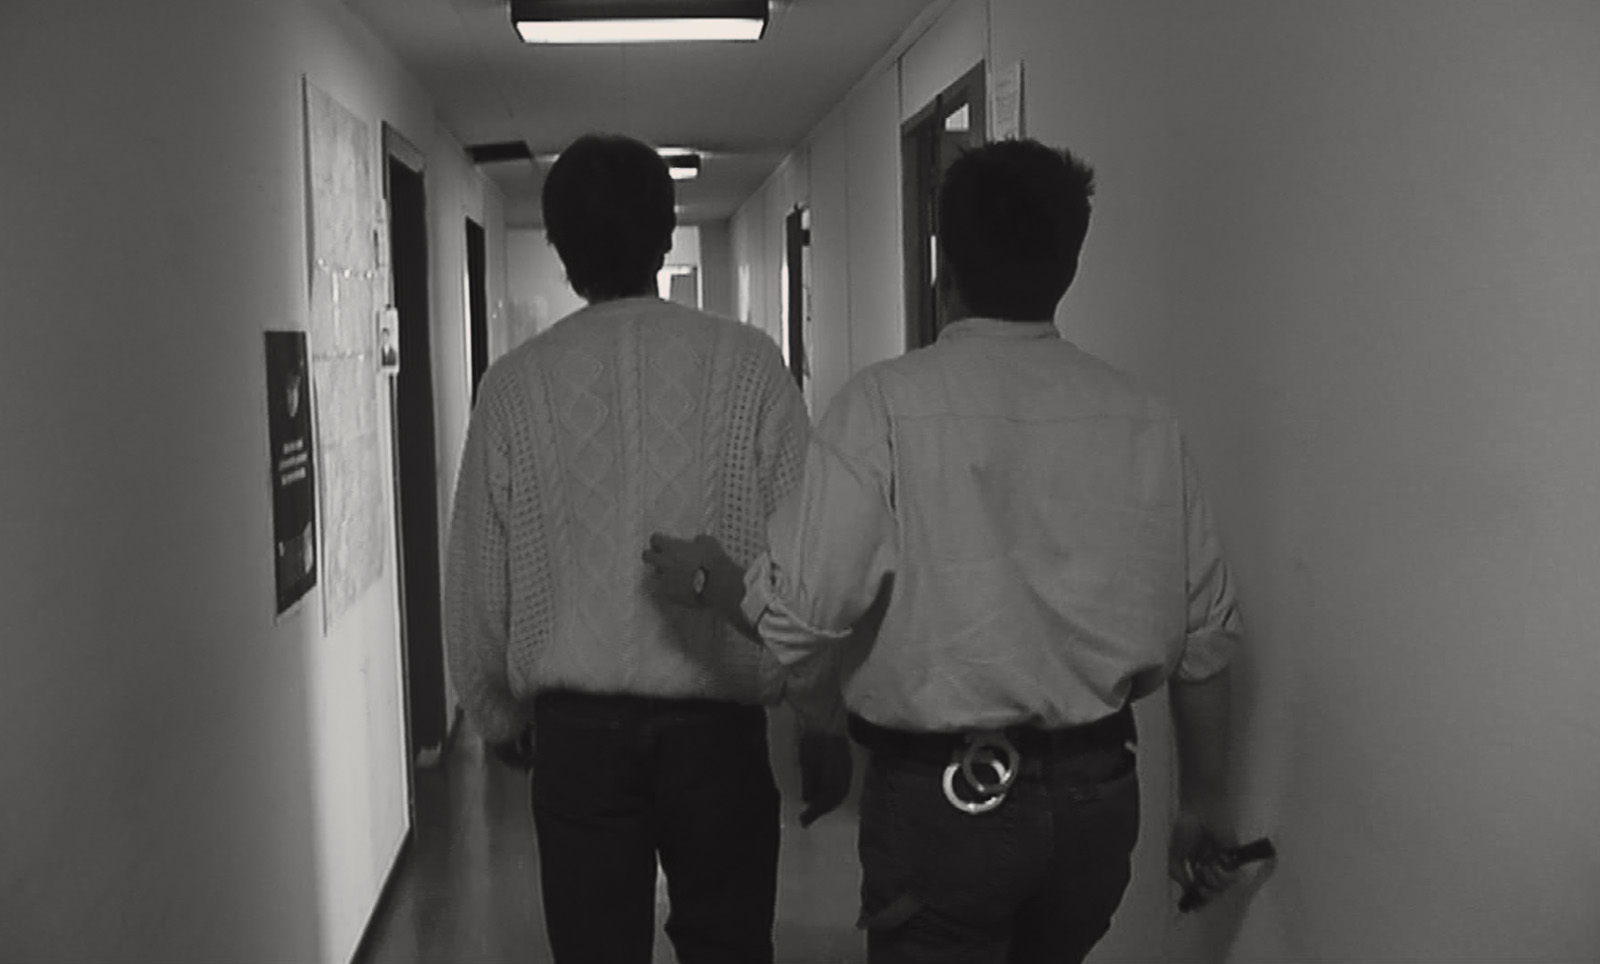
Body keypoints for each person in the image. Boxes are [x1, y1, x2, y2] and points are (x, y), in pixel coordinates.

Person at [644, 138, 1246, 964]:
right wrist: (1203, 804)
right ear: (1070, 265)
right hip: (1098, 804)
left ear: (942, 266)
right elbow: (1206, 639)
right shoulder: (1144, 419)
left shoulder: (884, 408)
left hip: (947, 803)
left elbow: (801, 616)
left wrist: (716, 580)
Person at [444, 132, 853, 964]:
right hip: (719, 736)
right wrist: (819, 713)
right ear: (667, 236)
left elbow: (479, 583)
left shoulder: (513, 387)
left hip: (577, 741)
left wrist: (497, 714)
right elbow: (808, 565)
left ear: (560, 250)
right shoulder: (749, 366)